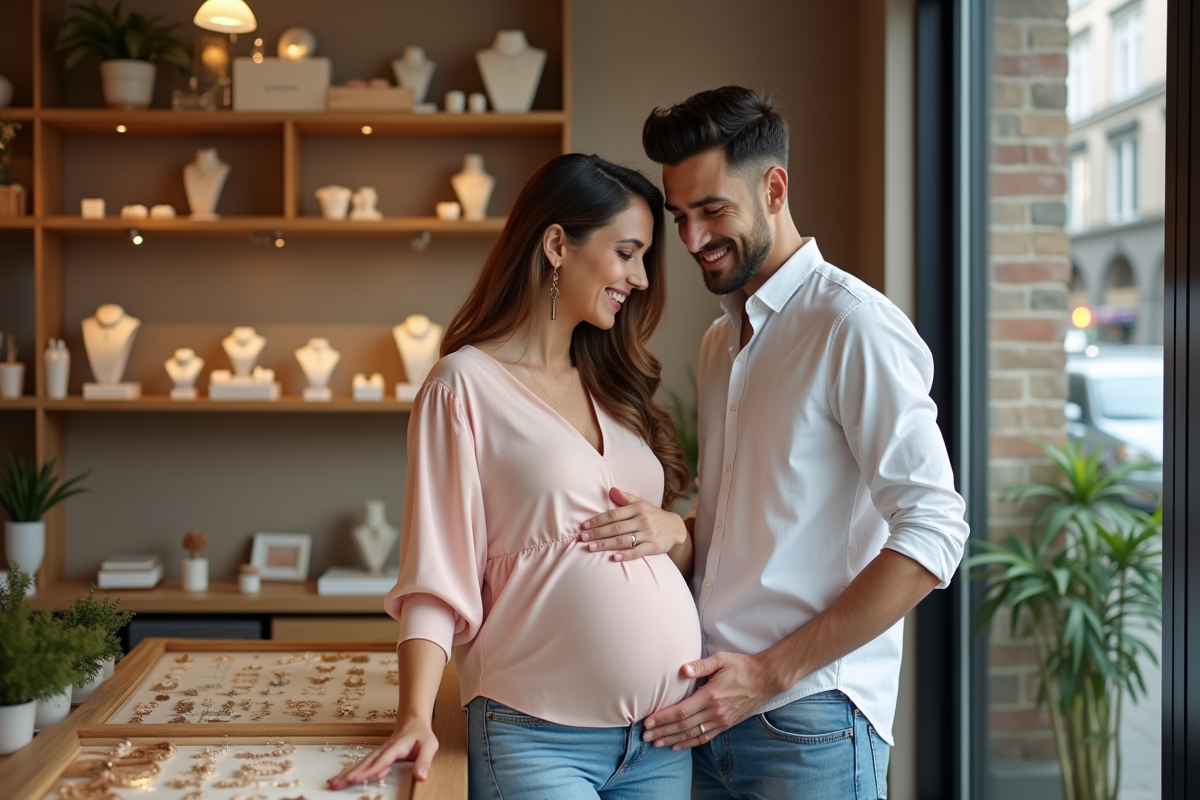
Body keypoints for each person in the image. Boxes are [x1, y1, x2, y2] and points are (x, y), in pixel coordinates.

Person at [582, 86, 970, 799]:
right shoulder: (719, 341)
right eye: (681, 218)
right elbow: (763, 525)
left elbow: (934, 530)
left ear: (774, 187)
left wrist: (767, 674)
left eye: (712, 211)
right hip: (707, 716)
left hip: (810, 724)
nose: (693, 240)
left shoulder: (854, 326)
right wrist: (682, 528)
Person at [328, 153, 701, 800]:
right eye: (628, 253)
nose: (640, 278)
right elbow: (434, 573)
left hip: (660, 739)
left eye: (645, 260)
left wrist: (674, 531)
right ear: (558, 243)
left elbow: (676, 549)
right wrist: (415, 712)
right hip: (537, 739)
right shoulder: (463, 386)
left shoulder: (616, 388)